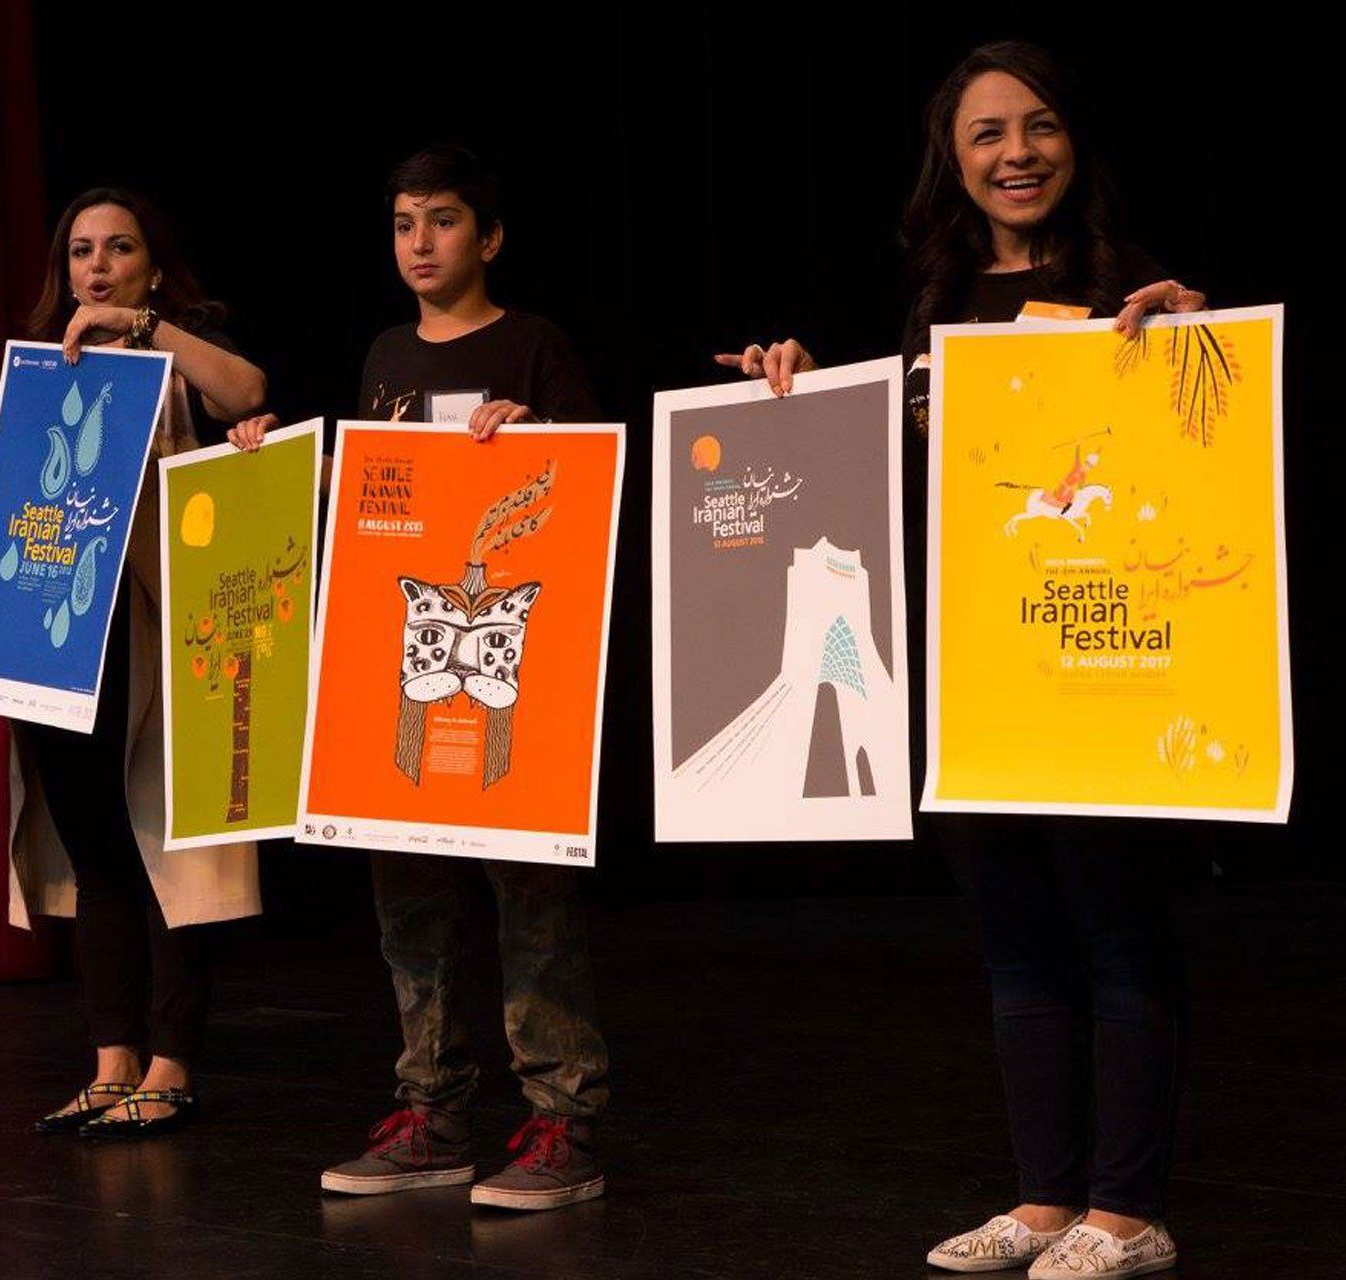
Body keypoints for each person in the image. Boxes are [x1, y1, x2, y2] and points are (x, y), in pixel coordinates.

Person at [717, 43, 1200, 1277]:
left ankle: (1129, 1210)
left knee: (1116, 926)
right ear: (954, 159)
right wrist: (801, 396)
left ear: (1073, 143)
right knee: (1017, 934)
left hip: (1099, 656)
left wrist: (1205, 351)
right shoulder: (934, 298)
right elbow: (894, 470)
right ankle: (1046, 1203)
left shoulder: (1134, 286)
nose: (1016, 153)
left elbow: (1197, 467)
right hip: (965, 664)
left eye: (1038, 126)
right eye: (987, 134)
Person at [0, 187, 269, 1138]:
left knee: (172, 854)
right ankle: (113, 1060)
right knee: (95, 854)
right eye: (82, 251)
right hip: (54, 643)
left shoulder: (174, 351)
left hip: (159, 642)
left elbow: (246, 394)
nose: (97, 266)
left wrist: (145, 327)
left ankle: (172, 1063)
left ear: (151, 267)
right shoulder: (38, 372)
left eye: (120, 248)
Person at [231, 145, 609, 1212]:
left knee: (531, 898)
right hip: (405, 666)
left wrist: (540, 438)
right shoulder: (388, 352)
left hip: (511, 674)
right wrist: (280, 455)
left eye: (442, 222)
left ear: (488, 238)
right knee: (408, 897)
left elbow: (589, 493)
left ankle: (563, 1119)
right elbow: (375, 500)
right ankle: (431, 1112)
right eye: (403, 224)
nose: (420, 243)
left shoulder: (535, 345)